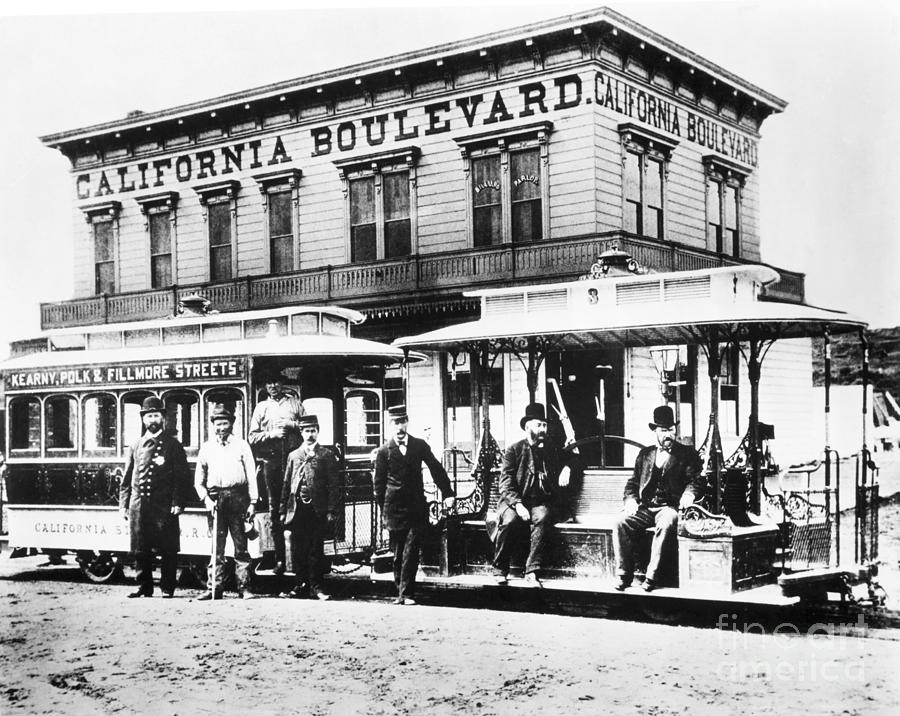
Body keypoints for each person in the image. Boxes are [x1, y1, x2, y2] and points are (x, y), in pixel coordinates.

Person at [614, 405, 704, 593]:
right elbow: (632, 482)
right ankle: (624, 574)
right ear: (655, 431)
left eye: (671, 429)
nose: (668, 434)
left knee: (666, 522)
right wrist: (630, 500)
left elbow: (695, 480)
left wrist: (689, 494)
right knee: (620, 522)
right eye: (663, 430)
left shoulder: (687, 454)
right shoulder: (645, 454)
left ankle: (651, 577)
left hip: (669, 507)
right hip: (646, 508)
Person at [374, 405, 455, 605]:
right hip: (394, 510)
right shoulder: (384, 451)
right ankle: (400, 592)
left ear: (407, 422)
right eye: (395, 422)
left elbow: (436, 468)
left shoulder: (419, 446)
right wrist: (383, 511)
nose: (400, 426)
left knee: (410, 550)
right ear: (390, 424)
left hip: (417, 507)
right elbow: (379, 485)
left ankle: (407, 594)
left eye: (403, 422)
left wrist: (448, 493)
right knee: (398, 553)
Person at [492, 402, 576, 587]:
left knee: (543, 518)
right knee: (510, 521)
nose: (543, 429)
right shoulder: (514, 450)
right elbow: (505, 484)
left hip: (539, 502)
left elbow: (575, 456)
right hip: (515, 502)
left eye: (545, 425)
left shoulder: (550, 448)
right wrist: (518, 505)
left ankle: (531, 571)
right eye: (539, 425)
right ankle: (500, 568)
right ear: (528, 426)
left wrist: (568, 468)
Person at [119, 396, 191, 598]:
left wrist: (178, 502)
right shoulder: (136, 445)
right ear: (143, 419)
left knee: (168, 549)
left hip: (164, 505)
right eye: (149, 416)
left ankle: (167, 588)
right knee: (141, 548)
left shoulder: (173, 445)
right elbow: (127, 478)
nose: (152, 420)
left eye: (156, 415)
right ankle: (144, 586)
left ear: (163, 418)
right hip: (140, 504)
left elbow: (181, 477)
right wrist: (124, 505)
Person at [194, 405, 259, 601]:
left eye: (225, 423)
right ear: (212, 425)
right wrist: (206, 499)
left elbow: (251, 476)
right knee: (217, 548)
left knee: (241, 547)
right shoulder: (206, 447)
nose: (221, 427)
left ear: (232, 424)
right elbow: (198, 480)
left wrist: (253, 502)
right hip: (215, 500)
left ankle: (245, 588)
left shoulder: (242, 445)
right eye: (218, 424)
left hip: (238, 499)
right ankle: (214, 588)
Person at [248, 368, 305, 576]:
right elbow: (252, 436)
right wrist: (271, 434)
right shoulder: (261, 407)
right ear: (265, 386)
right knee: (275, 510)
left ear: (282, 383)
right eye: (269, 383)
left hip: (294, 462)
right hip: (271, 463)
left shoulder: (295, 404)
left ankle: (299, 561)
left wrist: (292, 425)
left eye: (276, 382)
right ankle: (279, 559)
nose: (273, 386)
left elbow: (310, 426)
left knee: (296, 506)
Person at [280, 415, 340, 600]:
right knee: (298, 549)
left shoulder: (326, 455)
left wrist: (331, 510)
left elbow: (334, 486)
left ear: (318, 432)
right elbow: (286, 484)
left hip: (317, 510)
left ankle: (317, 587)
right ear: (301, 433)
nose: (310, 435)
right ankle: (300, 586)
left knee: (315, 549)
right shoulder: (294, 456)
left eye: (313, 430)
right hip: (297, 510)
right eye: (307, 431)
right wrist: (283, 510)